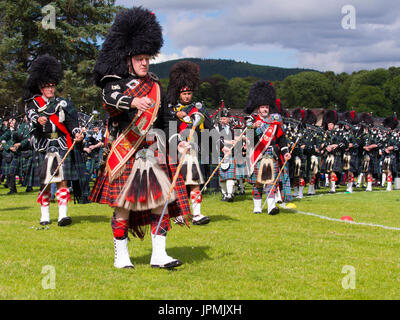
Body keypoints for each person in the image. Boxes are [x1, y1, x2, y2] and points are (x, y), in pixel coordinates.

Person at [89, 7, 191, 269]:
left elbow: (165, 119)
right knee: (123, 206)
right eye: (139, 58)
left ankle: (159, 255)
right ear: (128, 59)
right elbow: (109, 100)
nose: (144, 63)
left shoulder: (156, 86)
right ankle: (121, 257)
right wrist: (133, 101)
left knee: (161, 203)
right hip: (126, 152)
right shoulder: (115, 83)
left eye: (147, 58)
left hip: (152, 152)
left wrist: (177, 140)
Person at [24, 54, 84, 226]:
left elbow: (72, 122)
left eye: (52, 86)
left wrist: (77, 133)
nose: (50, 89)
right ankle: (44, 216)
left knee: (62, 179)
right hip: (43, 145)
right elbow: (31, 115)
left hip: (61, 144)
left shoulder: (64, 103)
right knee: (45, 180)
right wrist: (38, 119)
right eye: (47, 87)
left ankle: (62, 215)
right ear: (41, 88)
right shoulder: (34, 104)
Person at [166, 60, 212, 225]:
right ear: (179, 93)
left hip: (192, 150)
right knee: (178, 183)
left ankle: (197, 214)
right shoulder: (171, 110)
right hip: (176, 149)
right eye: (184, 93)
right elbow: (168, 130)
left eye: (189, 93)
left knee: (194, 182)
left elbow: (210, 128)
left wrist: (222, 145)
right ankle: (178, 214)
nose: (187, 96)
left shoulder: (199, 109)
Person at [244, 80, 291, 214]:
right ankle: (257, 207)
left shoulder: (275, 120)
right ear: (258, 107)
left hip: (272, 154)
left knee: (271, 182)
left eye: (267, 107)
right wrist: (253, 127)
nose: (265, 109)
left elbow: (282, 138)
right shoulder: (252, 120)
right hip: (257, 154)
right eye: (262, 107)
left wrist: (285, 151)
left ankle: (271, 207)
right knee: (258, 183)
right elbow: (249, 136)